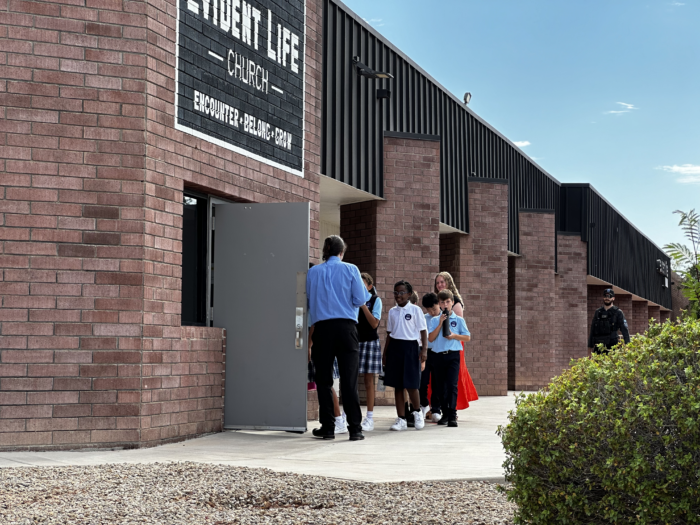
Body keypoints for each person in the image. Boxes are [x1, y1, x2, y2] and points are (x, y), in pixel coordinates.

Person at [307, 235, 371, 441]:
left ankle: (328, 427)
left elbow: (308, 299)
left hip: (322, 329)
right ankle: (355, 429)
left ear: (325, 251)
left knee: (324, 380)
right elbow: (360, 299)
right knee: (349, 380)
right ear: (341, 252)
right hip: (346, 328)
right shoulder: (351, 269)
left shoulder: (313, 272)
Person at [383, 280, 428, 432]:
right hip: (395, 347)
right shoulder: (392, 312)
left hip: (411, 348)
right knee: (398, 385)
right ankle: (401, 418)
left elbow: (423, 331)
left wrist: (424, 351)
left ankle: (417, 412)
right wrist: (385, 353)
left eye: (401, 293)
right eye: (396, 293)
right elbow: (389, 334)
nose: (398, 296)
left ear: (409, 294)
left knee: (411, 384)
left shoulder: (416, 310)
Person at [433, 272, 479, 410]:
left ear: (448, 283)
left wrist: (453, 336)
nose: (440, 285)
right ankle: (437, 407)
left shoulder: (456, 303)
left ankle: (454, 407)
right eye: (437, 283)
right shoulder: (437, 301)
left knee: (453, 378)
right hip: (439, 344)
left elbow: (458, 328)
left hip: (454, 343)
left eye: (442, 282)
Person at [428, 289, 471, 427]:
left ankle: (452, 415)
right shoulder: (435, 320)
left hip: (453, 355)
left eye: (448, 302)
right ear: (439, 304)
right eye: (442, 302)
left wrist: (454, 336)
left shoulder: (459, 320)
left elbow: (467, 337)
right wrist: (440, 323)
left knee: (452, 385)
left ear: (452, 302)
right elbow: (431, 338)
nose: (445, 304)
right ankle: (445, 414)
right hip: (438, 355)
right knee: (441, 387)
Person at [357, 273, 382, 432]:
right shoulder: (352, 298)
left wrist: (363, 305)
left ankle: (370, 417)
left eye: (363, 283)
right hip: (355, 341)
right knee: (350, 378)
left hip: (370, 342)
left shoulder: (375, 300)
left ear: (369, 286)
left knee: (368, 380)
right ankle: (348, 414)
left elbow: (374, 324)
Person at [588, 288, 630, 355]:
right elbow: (592, 330)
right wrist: (589, 348)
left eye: (609, 296)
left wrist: (628, 346)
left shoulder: (618, 312)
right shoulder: (598, 312)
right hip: (599, 347)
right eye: (605, 296)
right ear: (603, 297)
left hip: (612, 347)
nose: (607, 298)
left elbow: (625, 330)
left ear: (613, 298)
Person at [420, 293, 441, 422]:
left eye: (434, 309)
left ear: (438, 304)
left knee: (437, 383)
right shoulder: (423, 318)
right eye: (429, 310)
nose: (432, 312)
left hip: (439, 352)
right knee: (422, 381)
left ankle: (436, 409)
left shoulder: (444, 317)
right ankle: (424, 405)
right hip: (426, 353)